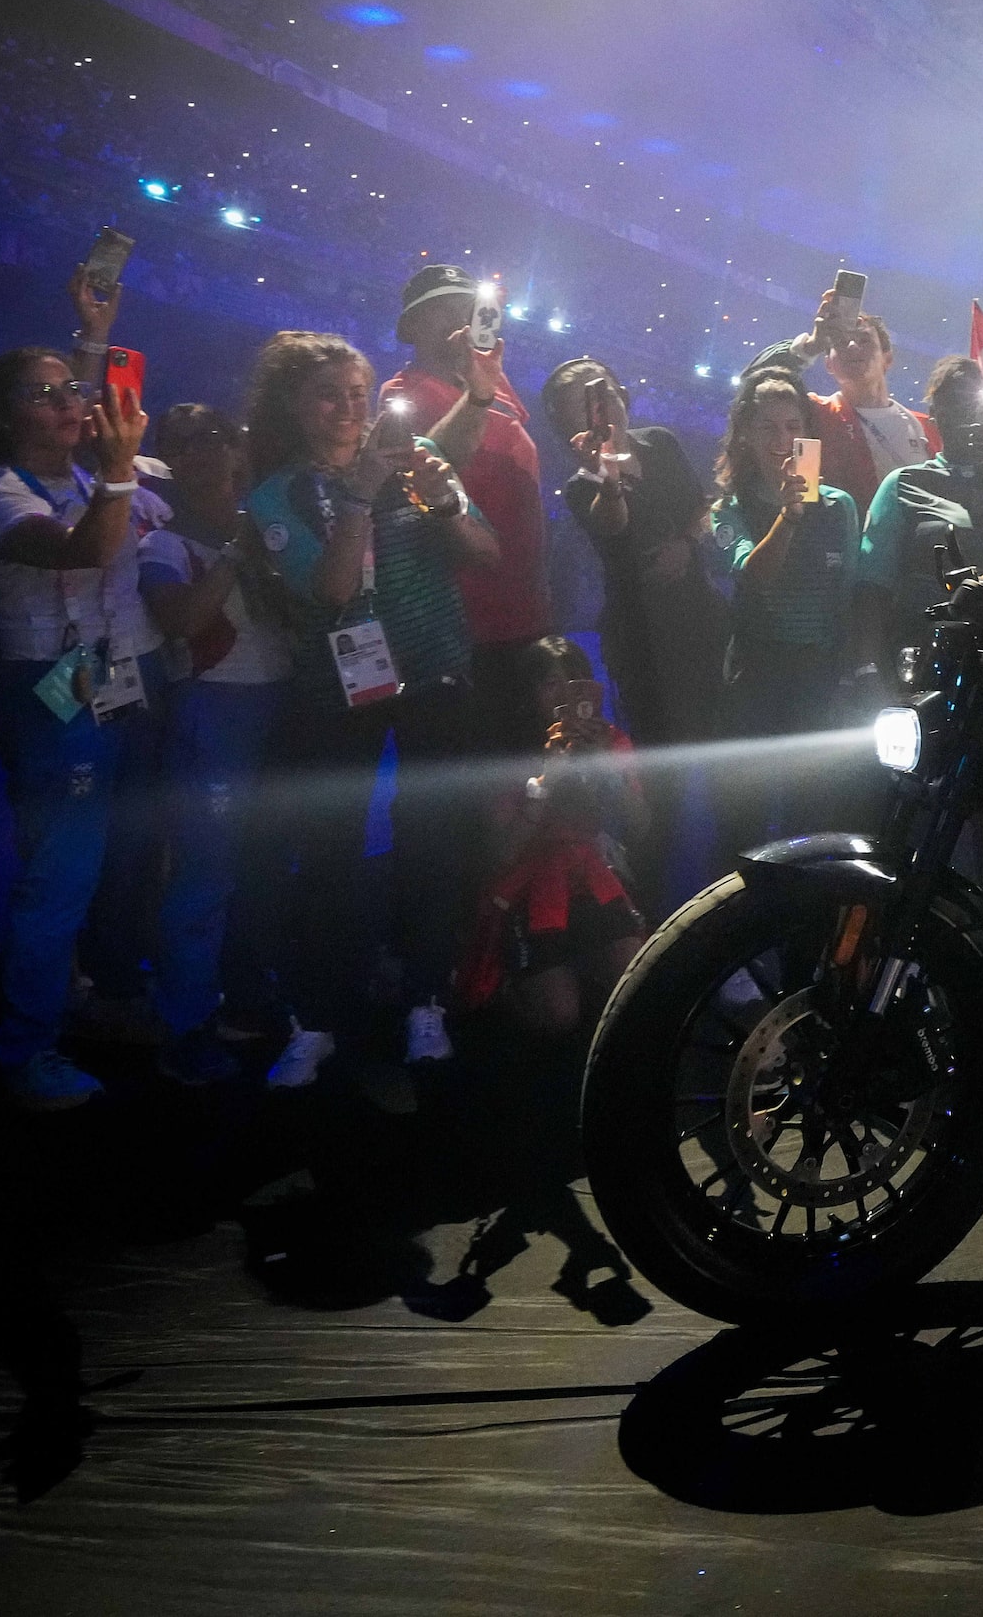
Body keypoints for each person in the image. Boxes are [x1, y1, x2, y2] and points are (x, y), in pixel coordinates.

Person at [242, 332, 498, 1102]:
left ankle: (424, 998)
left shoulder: (417, 458)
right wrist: (358, 494)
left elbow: (485, 554)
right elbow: (328, 592)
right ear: (292, 406)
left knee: (434, 837)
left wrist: (443, 500)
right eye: (328, 394)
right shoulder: (276, 495)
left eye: (357, 393)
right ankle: (319, 1017)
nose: (348, 409)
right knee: (330, 851)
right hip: (337, 685)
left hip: (433, 672)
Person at [0, 265, 170, 1106]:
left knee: (104, 857)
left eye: (71, 391)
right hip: (50, 693)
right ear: (7, 419)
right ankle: (23, 1050)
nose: (70, 403)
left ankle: (76, 995)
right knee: (60, 873)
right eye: (45, 397)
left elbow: (85, 400)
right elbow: (83, 551)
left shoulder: (78, 473)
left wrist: (92, 334)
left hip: (112, 680)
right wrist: (118, 475)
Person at [135, 405, 290, 1075]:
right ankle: (185, 1023)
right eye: (180, 444)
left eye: (213, 438)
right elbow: (180, 623)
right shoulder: (163, 545)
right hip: (213, 711)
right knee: (202, 875)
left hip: (284, 707)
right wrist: (236, 553)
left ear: (237, 449)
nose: (199, 454)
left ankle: (252, 1001)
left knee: (261, 870)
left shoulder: (279, 529)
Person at [543, 356, 725, 908]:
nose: (602, 404)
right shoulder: (583, 483)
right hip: (643, 646)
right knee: (659, 790)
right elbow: (611, 525)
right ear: (567, 423)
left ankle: (728, 911)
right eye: (584, 400)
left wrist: (687, 545)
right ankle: (649, 919)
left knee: (724, 779)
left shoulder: (662, 443)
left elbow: (703, 512)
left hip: (703, 629)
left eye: (605, 389)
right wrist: (611, 477)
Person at [377, 264, 554, 752]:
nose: (458, 320)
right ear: (410, 328)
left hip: (526, 617)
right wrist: (477, 395)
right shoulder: (402, 395)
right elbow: (432, 464)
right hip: (463, 636)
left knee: (529, 783)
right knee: (465, 798)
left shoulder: (495, 388)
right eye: (441, 311)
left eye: (465, 309)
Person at [457, 638, 646, 1038]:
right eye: (551, 685)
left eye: (575, 683)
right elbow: (501, 854)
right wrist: (543, 783)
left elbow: (641, 826)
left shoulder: (609, 742)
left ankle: (580, 963)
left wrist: (609, 773)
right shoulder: (508, 753)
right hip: (528, 885)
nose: (564, 696)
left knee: (633, 989)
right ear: (529, 694)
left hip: (590, 875)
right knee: (559, 1016)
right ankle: (504, 986)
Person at [710, 363, 860, 847]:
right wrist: (788, 517)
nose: (781, 438)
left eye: (793, 427)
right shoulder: (728, 508)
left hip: (819, 677)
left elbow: (849, 594)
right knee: (745, 816)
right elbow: (754, 576)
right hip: (758, 674)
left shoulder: (839, 506)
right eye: (768, 427)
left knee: (813, 817)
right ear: (746, 437)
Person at [859, 356, 983, 665]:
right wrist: (867, 668)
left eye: (973, 402)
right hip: (928, 650)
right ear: (934, 416)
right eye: (953, 402)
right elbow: (872, 588)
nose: (966, 414)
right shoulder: (905, 484)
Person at [796, 297, 935, 514]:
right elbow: (762, 387)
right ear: (828, 364)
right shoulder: (813, 416)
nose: (852, 345)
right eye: (841, 342)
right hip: (847, 544)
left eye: (865, 340)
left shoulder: (928, 427)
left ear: (887, 359)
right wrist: (810, 346)